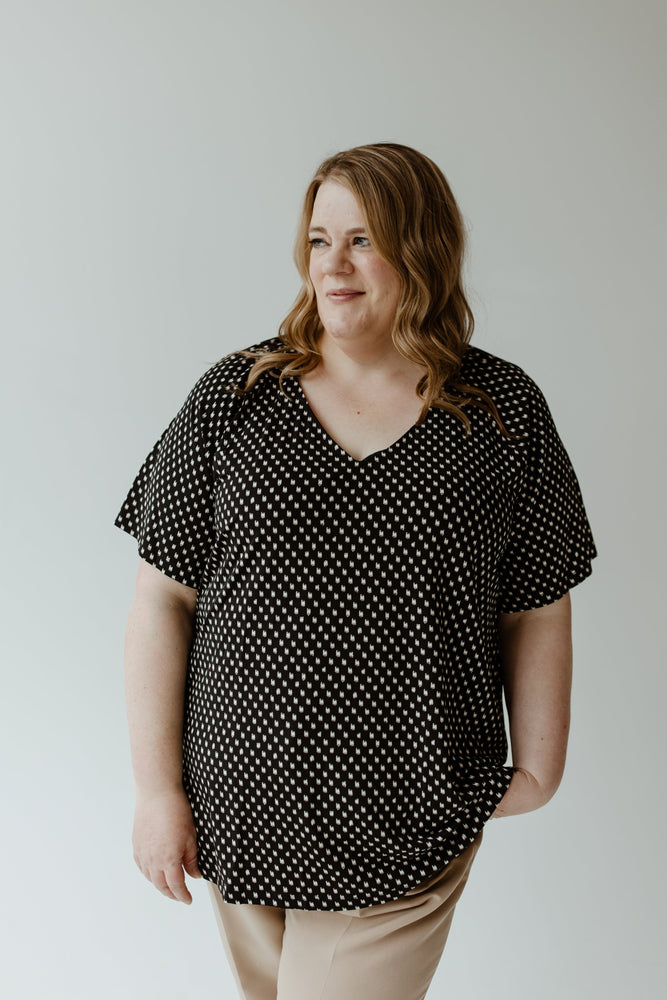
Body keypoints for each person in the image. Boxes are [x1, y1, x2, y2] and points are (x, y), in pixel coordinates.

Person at [114, 141, 598, 1000]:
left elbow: (538, 601)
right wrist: (158, 791)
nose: (333, 266)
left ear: (423, 249)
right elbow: (163, 599)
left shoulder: (498, 411)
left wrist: (540, 765)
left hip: (410, 807)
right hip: (242, 801)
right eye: (317, 240)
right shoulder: (237, 395)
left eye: (364, 240)